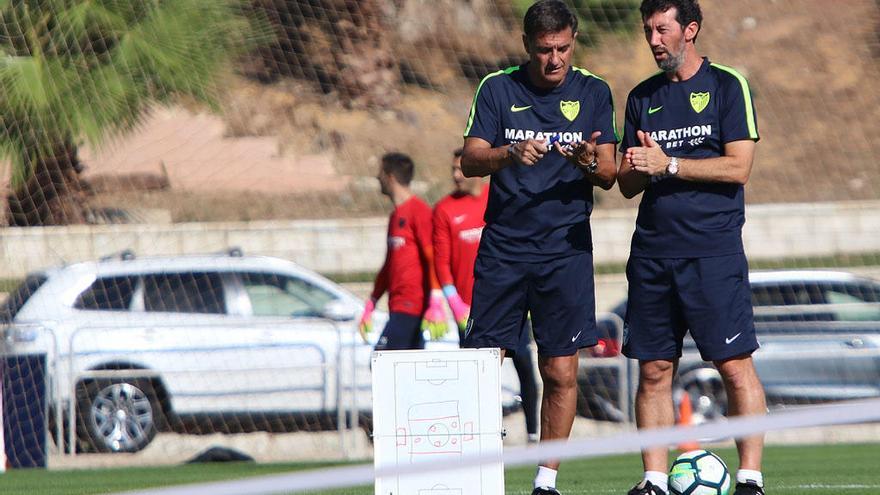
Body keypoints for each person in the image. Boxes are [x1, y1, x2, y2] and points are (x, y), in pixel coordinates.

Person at [459, 1, 618, 493]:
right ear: (527, 45)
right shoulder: (497, 88)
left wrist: (589, 161)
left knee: (560, 369)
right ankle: (475, 471)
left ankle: (546, 479)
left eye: (564, 48)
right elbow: (470, 161)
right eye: (545, 50)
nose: (555, 60)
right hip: (504, 247)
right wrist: (509, 153)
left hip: (565, 250)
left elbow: (611, 175)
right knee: (484, 364)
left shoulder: (593, 91)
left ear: (574, 40)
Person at [617, 2, 766, 495]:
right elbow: (627, 186)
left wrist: (670, 164)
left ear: (690, 30)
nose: (654, 39)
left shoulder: (727, 86)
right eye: (648, 30)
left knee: (733, 365)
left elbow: (737, 167)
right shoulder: (642, 97)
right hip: (653, 255)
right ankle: (655, 479)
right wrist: (637, 164)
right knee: (655, 369)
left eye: (662, 29)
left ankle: (750, 478)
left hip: (713, 252)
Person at [433, 148, 540, 444]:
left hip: (511, 302)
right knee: (477, 374)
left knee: (525, 369)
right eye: (453, 169)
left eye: (460, 169)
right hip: (470, 311)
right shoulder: (444, 210)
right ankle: (481, 433)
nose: (456, 175)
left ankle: (533, 433)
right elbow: (440, 262)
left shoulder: (499, 198)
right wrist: (455, 304)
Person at [359, 152, 448, 350]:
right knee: (409, 369)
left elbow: (432, 256)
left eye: (380, 173)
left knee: (382, 360)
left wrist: (435, 299)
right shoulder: (395, 217)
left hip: (412, 305)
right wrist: (371, 302)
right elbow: (389, 265)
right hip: (397, 305)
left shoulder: (420, 212)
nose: (376, 178)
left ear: (390, 177)